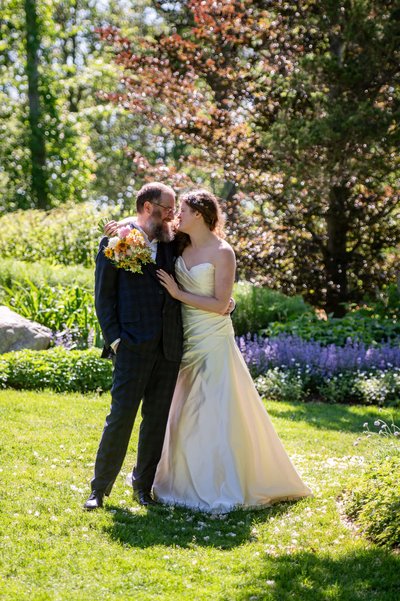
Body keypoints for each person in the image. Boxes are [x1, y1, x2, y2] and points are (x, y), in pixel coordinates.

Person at [149, 189, 312, 512]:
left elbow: (221, 304)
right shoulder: (177, 244)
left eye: (182, 210)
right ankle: (178, 479)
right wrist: (116, 230)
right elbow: (142, 228)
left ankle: (222, 481)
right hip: (185, 339)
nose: (176, 215)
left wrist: (178, 293)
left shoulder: (223, 252)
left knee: (213, 408)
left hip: (212, 337)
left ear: (199, 213)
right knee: (184, 410)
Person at [84, 182, 183, 510]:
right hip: (131, 346)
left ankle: (143, 489)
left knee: (155, 420)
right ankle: (99, 490)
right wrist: (115, 340)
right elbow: (104, 297)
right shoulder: (116, 240)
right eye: (166, 208)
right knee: (121, 417)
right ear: (146, 207)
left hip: (168, 347)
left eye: (173, 209)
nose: (171, 215)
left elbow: (205, 266)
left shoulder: (174, 243)